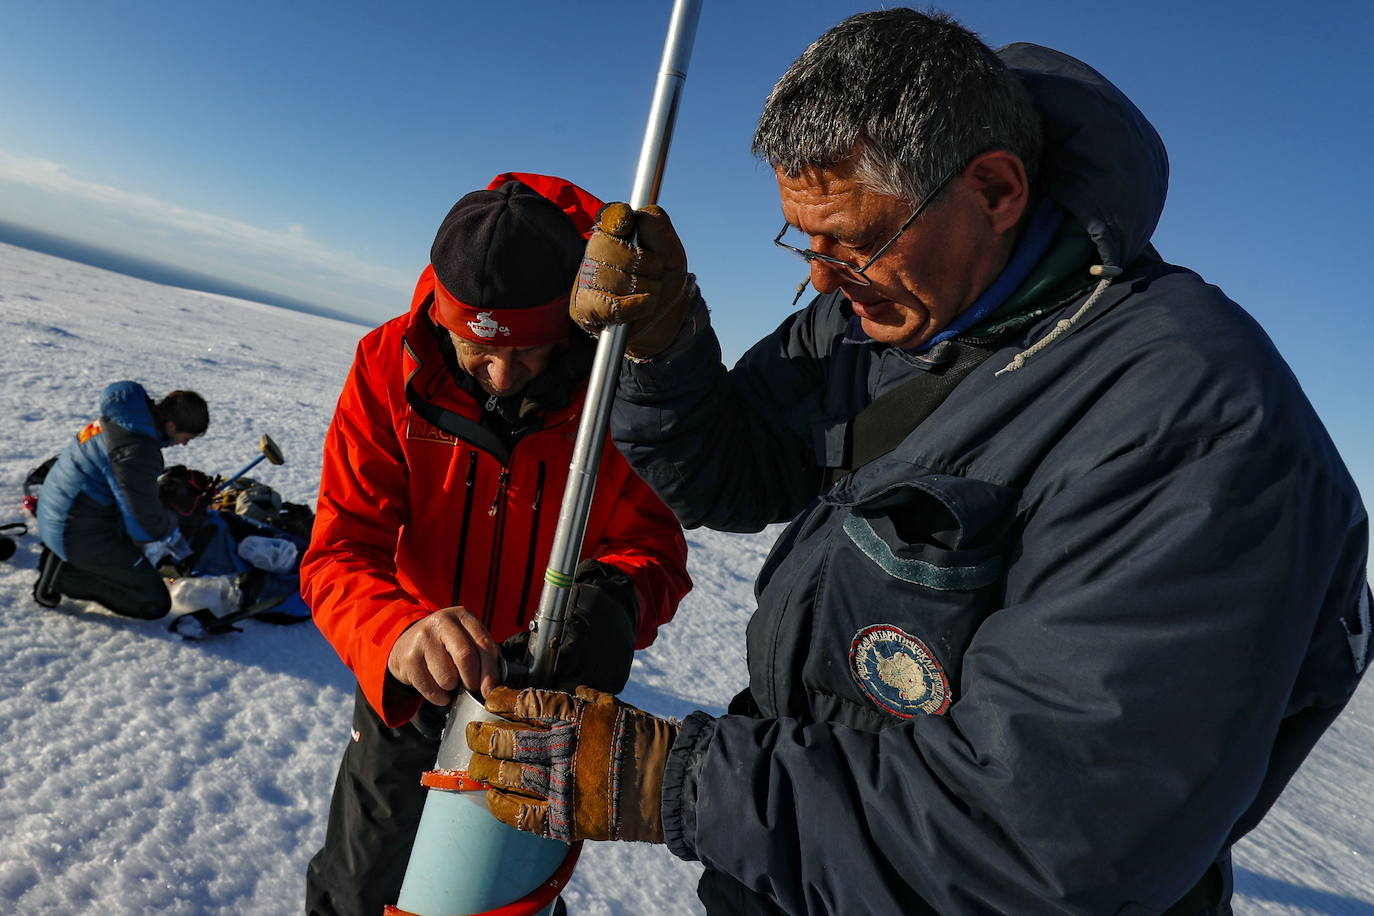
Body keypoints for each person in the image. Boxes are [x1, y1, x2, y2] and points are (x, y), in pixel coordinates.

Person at [461, 12, 1372, 915]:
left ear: (995, 189)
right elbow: (730, 474)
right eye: (803, 239)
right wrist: (664, 347)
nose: (821, 278)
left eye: (853, 241)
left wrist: (674, 784)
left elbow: (1044, 843)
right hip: (799, 877)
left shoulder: (1192, 425)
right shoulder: (881, 318)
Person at [301, 172, 692, 916]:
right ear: (444, 315)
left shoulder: (616, 387)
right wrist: (395, 633)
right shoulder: (391, 363)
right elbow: (340, 547)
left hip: (541, 695)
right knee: (359, 885)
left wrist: (608, 603)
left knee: (501, 896)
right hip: (410, 685)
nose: (505, 374)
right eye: (478, 350)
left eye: (531, 347)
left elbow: (653, 547)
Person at [34, 383, 208, 619]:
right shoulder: (136, 449)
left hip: (57, 511)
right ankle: (64, 578)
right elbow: (145, 529)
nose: (184, 443)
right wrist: (173, 520)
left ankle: (67, 561)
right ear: (170, 425)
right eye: (185, 437)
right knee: (154, 603)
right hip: (74, 532)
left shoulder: (126, 419)